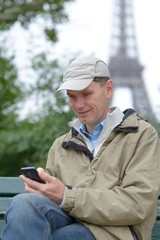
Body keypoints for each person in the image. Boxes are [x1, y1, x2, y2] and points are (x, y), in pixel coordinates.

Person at [2, 56, 160, 240]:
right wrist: (43, 192)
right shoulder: (60, 145)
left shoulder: (142, 135)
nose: (79, 105)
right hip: (70, 222)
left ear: (108, 89)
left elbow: (136, 205)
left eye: (86, 94)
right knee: (24, 203)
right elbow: (53, 202)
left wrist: (66, 196)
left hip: (115, 233)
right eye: (72, 97)